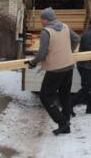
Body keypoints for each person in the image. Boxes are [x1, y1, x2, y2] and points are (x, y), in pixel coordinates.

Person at [27, 7, 80, 135]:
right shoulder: (65, 27)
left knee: (45, 96)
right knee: (64, 95)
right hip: (68, 67)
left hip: (55, 69)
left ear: (46, 19)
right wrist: (70, 51)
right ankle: (66, 126)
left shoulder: (47, 31)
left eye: (42, 18)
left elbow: (42, 53)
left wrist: (33, 63)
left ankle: (62, 122)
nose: (41, 21)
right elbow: (77, 39)